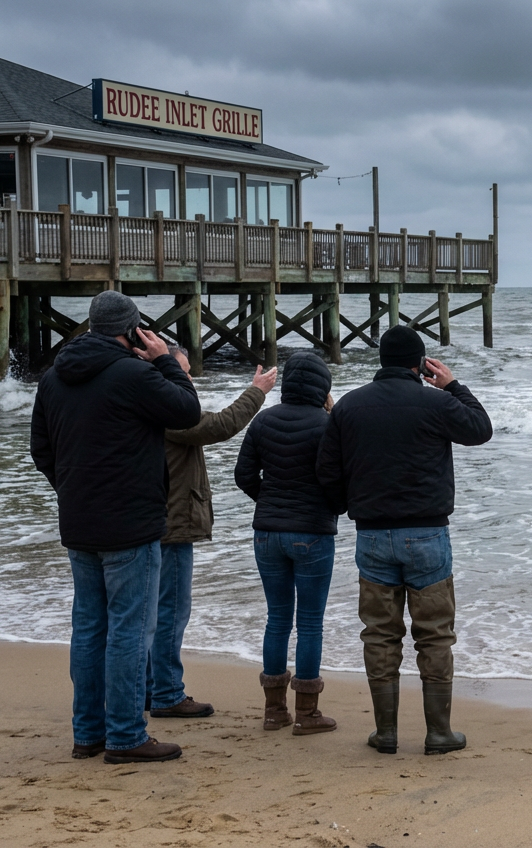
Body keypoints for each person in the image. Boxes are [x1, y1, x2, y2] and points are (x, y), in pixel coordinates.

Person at [29, 291, 200, 764]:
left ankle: (88, 734)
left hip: (79, 521)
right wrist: (164, 360)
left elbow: (41, 450)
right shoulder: (134, 373)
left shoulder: (53, 377)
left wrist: (72, 489)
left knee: (88, 628)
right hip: (130, 522)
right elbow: (187, 411)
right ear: (132, 330)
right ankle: (125, 736)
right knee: (129, 630)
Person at [316, 325, 492, 756]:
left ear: (382, 361)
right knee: (434, 636)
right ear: (420, 365)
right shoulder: (436, 401)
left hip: (372, 534)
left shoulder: (349, 406)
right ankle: (439, 733)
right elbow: (480, 429)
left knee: (379, 635)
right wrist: (453, 385)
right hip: (427, 533)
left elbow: (327, 472)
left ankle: (387, 733)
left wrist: (349, 506)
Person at [150, 350, 274, 719]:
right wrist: (257, 392)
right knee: (170, 612)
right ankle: (166, 693)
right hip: (171, 525)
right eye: (183, 372)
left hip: (152, 521)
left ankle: (149, 689)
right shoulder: (166, 411)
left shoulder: (140, 404)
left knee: (151, 614)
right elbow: (219, 426)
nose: (189, 379)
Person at [234, 352, 339, 735]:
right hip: (312, 532)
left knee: (277, 619)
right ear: (322, 385)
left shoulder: (263, 420)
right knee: (309, 622)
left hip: (267, 534)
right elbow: (338, 479)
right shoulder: (328, 424)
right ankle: (307, 714)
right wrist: (333, 507)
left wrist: (269, 501)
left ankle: (274, 711)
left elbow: (243, 474)